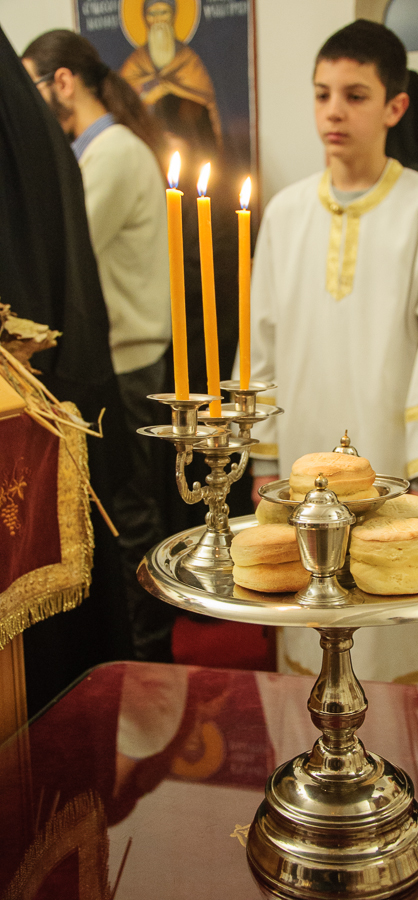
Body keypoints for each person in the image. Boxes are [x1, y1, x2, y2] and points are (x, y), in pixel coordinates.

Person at [237, 20, 418, 686]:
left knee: (399, 609)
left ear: (395, 106)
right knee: (311, 616)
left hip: (395, 462)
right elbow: (261, 339)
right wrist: (264, 459)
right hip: (301, 460)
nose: (334, 111)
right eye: (322, 94)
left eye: (355, 95)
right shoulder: (286, 212)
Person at [22, 30, 176, 663]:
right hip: (123, 358)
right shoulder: (98, 150)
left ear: (62, 81)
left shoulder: (111, 154)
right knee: (124, 509)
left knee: (130, 513)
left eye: (31, 84)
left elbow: (64, 252)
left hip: (130, 362)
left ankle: (149, 657)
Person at [120, 0, 221, 148]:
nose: (158, 19)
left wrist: (168, 89)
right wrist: (148, 95)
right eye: (152, 14)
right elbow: (122, 103)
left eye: (163, 12)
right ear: (144, 18)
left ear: (174, 15)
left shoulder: (188, 60)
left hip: (188, 141)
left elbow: (205, 100)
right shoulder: (135, 62)